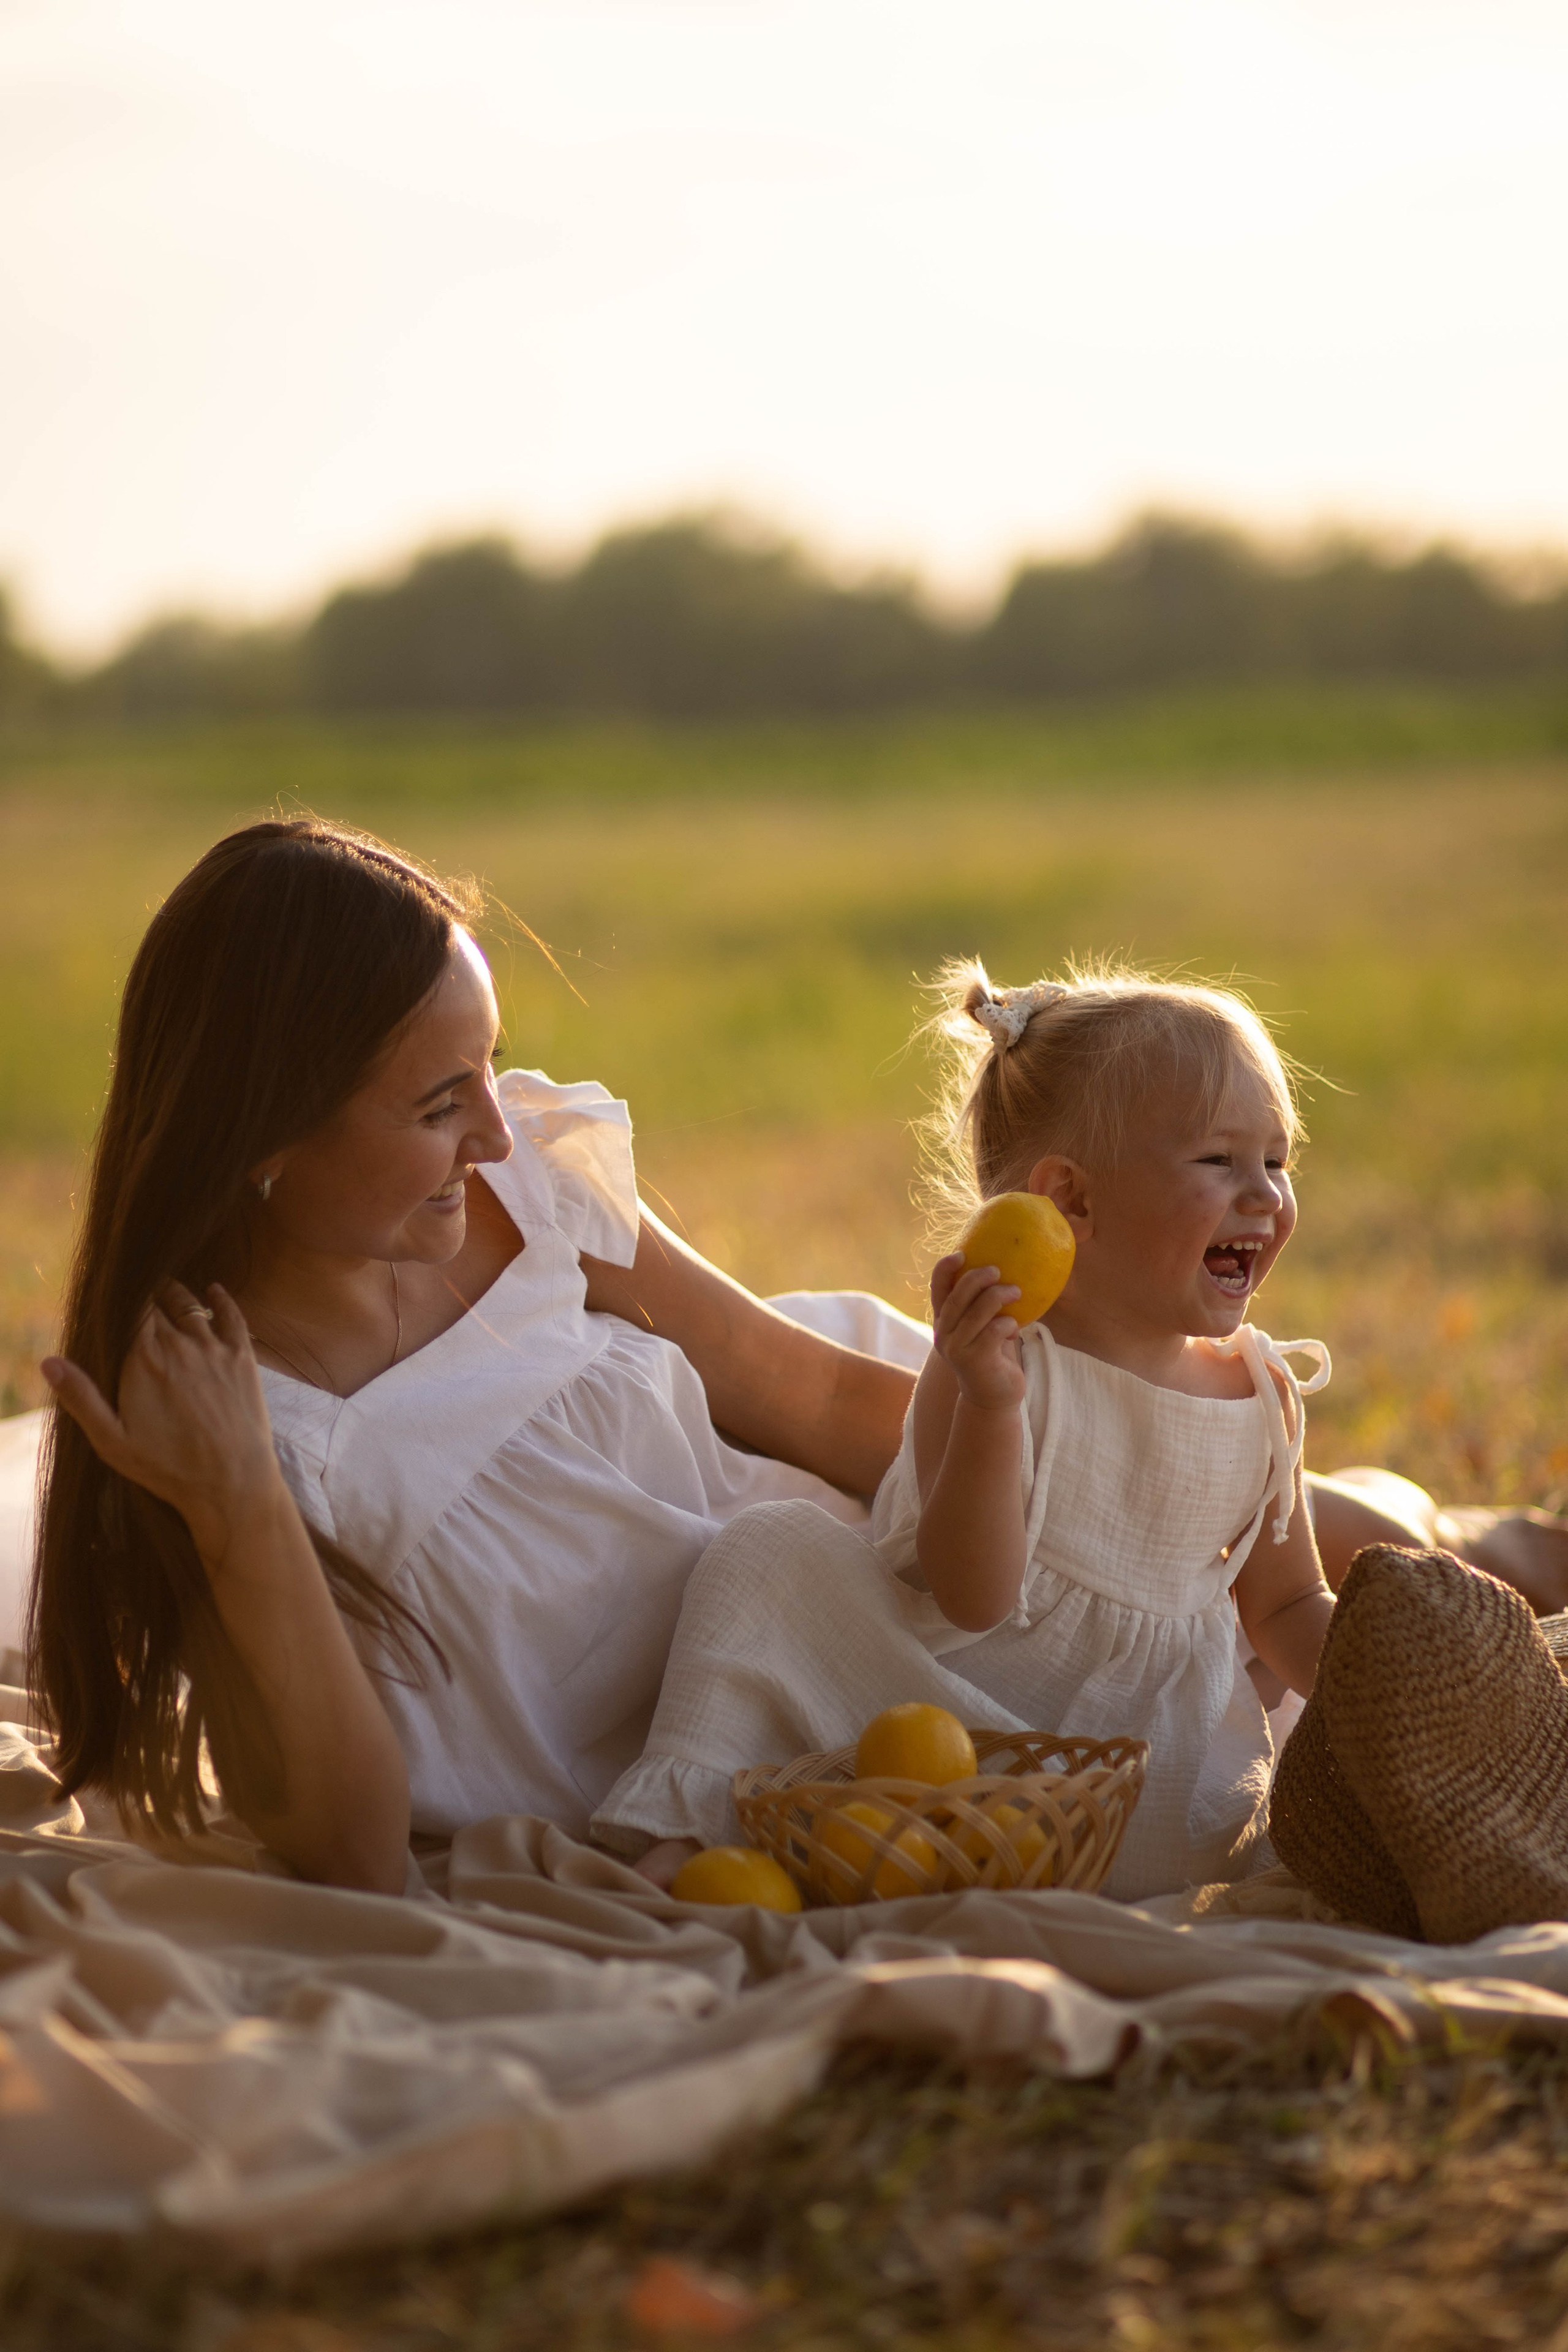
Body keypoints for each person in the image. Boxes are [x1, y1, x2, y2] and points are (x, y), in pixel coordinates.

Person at [29, 819, 915, 1893]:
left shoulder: (523, 1187)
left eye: (486, 1067)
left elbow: (810, 1391)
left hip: (866, 1578)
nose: (497, 1134)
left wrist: (1031, 1476)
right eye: (439, 1105)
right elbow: (354, 1854)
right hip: (756, 1762)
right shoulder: (225, 1411)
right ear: (263, 1135)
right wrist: (243, 1505)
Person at [594, 962, 1340, 1901]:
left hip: (1136, 1790)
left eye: (1277, 1162)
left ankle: (849, 1845)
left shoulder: (1261, 1394)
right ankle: (696, 1825)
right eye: (1221, 1162)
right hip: (951, 1735)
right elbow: (973, 1596)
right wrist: (990, 1405)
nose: (1265, 1195)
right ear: (1070, 1200)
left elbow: (1287, 1604)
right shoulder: (996, 1368)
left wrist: (1387, 1687)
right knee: (768, 1554)